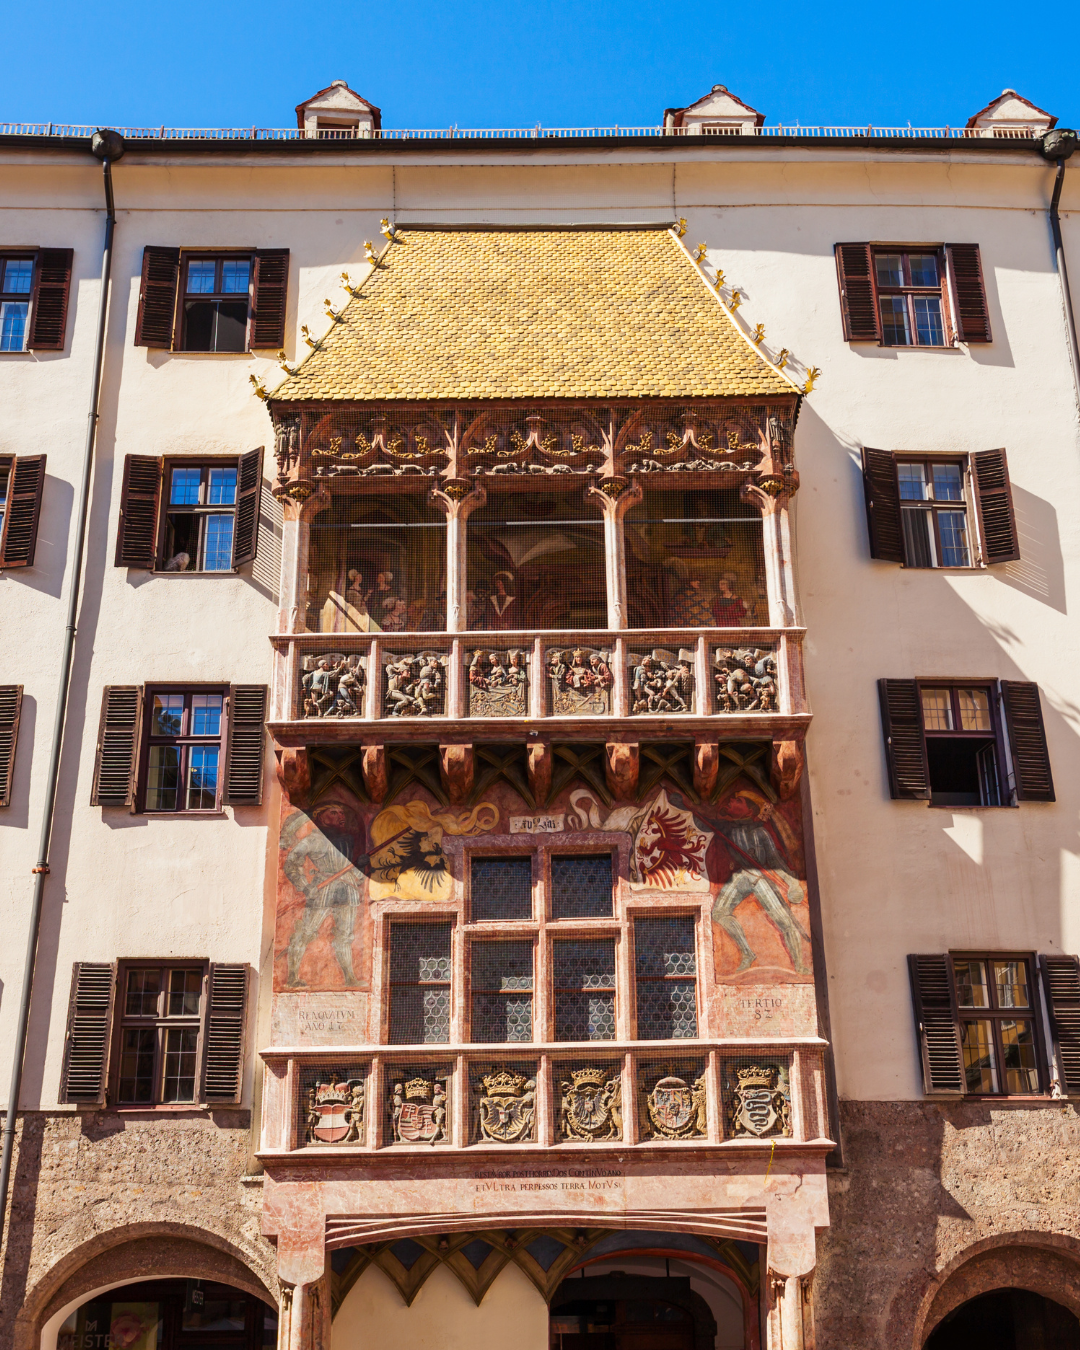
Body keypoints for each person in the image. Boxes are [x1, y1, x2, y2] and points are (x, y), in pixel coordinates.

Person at [711, 794, 810, 974]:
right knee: (719, 913)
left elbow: (775, 861)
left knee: (785, 921)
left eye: (738, 801)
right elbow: (704, 823)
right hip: (742, 876)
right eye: (733, 799)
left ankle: (799, 966)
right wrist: (682, 805)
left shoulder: (760, 833)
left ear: (750, 811)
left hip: (759, 877)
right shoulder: (729, 829)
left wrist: (793, 883)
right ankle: (748, 953)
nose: (731, 801)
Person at [282, 803, 367, 986]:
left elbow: (350, 870)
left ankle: (350, 978)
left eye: (342, 813)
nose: (340, 816)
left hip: (347, 889)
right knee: (305, 933)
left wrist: (359, 866)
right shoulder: (313, 840)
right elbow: (291, 863)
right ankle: (293, 978)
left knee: (345, 936)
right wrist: (305, 886)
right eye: (334, 813)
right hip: (322, 891)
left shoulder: (347, 839)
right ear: (320, 817)